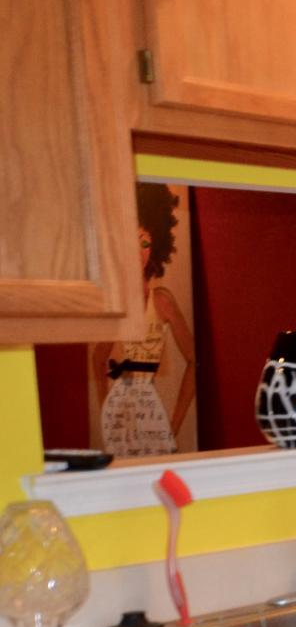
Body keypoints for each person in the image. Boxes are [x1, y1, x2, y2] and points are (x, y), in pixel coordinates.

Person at [92, 185, 197, 457]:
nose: (139, 252)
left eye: (146, 242)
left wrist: (174, 424)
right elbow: (98, 356)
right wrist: (106, 407)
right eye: (132, 242)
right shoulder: (117, 301)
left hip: (149, 405)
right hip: (121, 407)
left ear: (156, 246)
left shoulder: (162, 301)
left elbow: (195, 360)